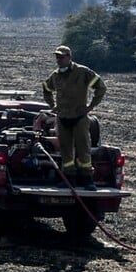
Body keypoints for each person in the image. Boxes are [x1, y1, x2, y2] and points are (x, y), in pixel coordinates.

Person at [41, 45, 107, 190]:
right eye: (57, 57)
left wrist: (90, 106)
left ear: (69, 57)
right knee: (65, 150)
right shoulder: (55, 75)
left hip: (79, 118)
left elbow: (101, 87)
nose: (59, 60)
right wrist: (52, 105)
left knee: (83, 148)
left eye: (62, 57)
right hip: (62, 118)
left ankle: (87, 179)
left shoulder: (82, 72)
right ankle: (69, 179)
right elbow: (46, 88)